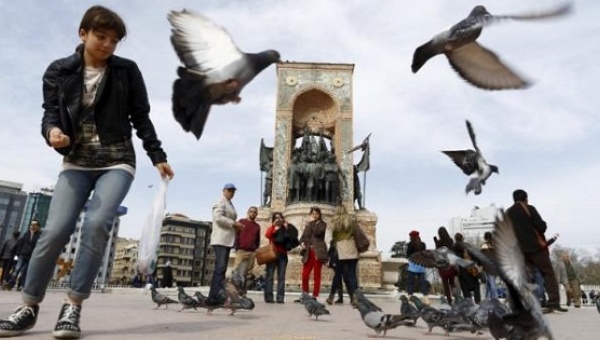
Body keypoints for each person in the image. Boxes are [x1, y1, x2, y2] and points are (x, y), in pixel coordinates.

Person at [0, 6, 175, 338]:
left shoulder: (126, 71)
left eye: (114, 40)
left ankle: (73, 306)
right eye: (101, 36)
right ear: (83, 34)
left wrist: (157, 155)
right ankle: (28, 307)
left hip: (117, 160)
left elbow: (141, 117)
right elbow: (49, 113)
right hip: (75, 162)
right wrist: (52, 133)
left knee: (96, 223)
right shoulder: (59, 71)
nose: (108, 44)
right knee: (54, 232)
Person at [507, 189, 567, 313]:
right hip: (536, 248)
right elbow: (541, 227)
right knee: (548, 274)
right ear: (526, 198)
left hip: (520, 251)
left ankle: (527, 305)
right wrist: (543, 224)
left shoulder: (508, 213)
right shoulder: (529, 209)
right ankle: (553, 302)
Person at [206, 183, 244, 306]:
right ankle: (213, 297)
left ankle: (218, 296)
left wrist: (236, 227)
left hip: (227, 240)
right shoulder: (220, 202)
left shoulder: (229, 203)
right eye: (229, 190)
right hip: (220, 239)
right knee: (220, 268)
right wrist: (234, 223)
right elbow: (218, 218)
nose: (231, 193)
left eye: (233, 191)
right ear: (223, 191)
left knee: (221, 270)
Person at [326, 205, 359, 305]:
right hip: (351, 248)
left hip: (339, 250)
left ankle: (331, 296)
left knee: (337, 275)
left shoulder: (334, 223)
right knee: (352, 275)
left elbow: (330, 237)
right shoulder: (352, 221)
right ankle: (355, 298)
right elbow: (355, 233)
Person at [299, 207, 328, 300]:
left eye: (316, 214)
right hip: (308, 252)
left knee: (317, 274)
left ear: (319, 215)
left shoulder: (323, 224)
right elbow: (303, 237)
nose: (314, 215)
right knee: (305, 275)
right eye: (313, 214)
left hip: (317, 252)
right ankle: (305, 294)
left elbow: (317, 233)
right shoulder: (309, 224)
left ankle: (315, 295)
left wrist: (314, 225)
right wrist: (302, 243)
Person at [4, 221, 42, 292]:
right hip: (22, 255)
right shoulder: (26, 234)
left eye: (34, 224)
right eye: (31, 224)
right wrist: (17, 254)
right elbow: (21, 244)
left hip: (31, 256)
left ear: (38, 226)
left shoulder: (39, 236)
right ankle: (10, 284)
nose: (32, 226)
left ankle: (21, 285)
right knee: (17, 269)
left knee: (25, 271)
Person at [233, 206, 261, 294]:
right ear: (248, 212)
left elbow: (257, 239)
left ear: (256, 214)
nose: (253, 213)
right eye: (251, 211)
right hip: (241, 250)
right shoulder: (241, 222)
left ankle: (243, 291)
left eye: (255, 212)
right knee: (237, 271)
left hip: (251, 252)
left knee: (248, 273)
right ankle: (234, 292)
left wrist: (255, 248)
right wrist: (236, 247)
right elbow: (236, 235)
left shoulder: (257, 226)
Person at [263, 212, 290, 303]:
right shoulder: (272, 227)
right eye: (276, 218)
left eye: (280, 218)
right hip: (272, 253)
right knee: (270, 276)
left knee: (281, 277)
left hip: (282, 254)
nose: (278, 219)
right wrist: (274, 226)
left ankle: (280, 298)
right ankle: (269, 297)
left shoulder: (285, 228)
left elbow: (291, 238)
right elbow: (267, 235)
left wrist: (286, 227)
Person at [433, 226, 458, 304]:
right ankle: (457, 298)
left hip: (443, 266)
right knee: (452, 283)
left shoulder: (439, 243)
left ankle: (449, 300)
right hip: (450, 265)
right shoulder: (450, 240)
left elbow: (437, 252)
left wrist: (436, 242)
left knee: (445, 284)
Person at [454, 233, 481, 303]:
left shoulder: (453, 248)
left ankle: (469, 304)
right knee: (476, 286)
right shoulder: (466, 246)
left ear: (455, 239)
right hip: (470, 268)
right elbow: (475, 255)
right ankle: (477, 302)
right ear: (462, 238)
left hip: (461, 272)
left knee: (465, 290)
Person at [406, 230, 429, 300]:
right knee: (422, 283)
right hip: (421, 266)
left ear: (411, 237)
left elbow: (408, 255)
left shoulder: (410, 244)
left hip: (412, 266)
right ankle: (426, 297)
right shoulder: (423, 244)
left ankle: (410, 297)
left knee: (411, 283)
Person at [480, 231, 498, 299]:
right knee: (489, 283)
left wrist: (480, 265)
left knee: (492, 283)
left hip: (488, 267)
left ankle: (495, 299)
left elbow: (481, 257)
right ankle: (487, 299)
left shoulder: (484, 246)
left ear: (485, 238)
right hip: (495, 267)